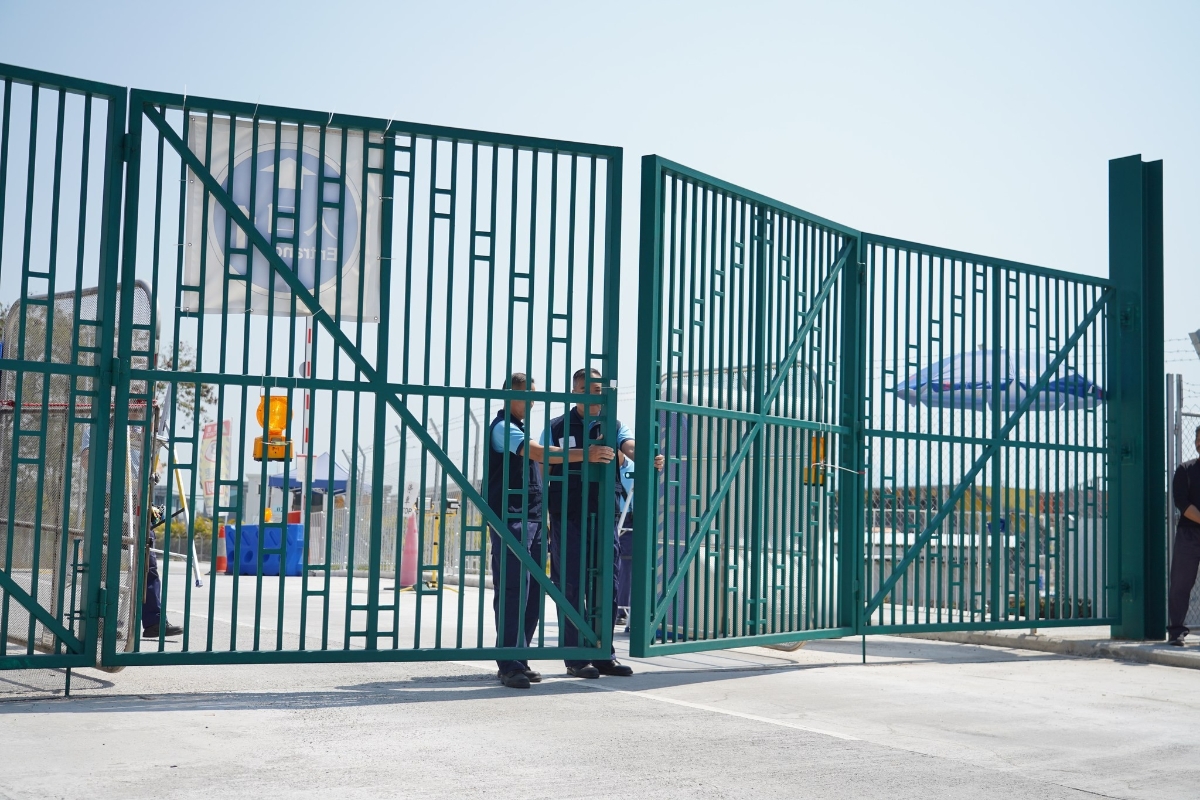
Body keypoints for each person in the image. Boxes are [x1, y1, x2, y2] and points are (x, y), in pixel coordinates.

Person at [486, 372, 613, 689]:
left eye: (534, 395)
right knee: (513, 590)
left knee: (531, 595)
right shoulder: (503, 428)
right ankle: (509, 664)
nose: (531, 402)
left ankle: (520, 660)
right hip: (510, 518)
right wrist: (587, 454)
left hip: (531, 518)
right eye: (526, 395)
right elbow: (540, 454)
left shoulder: (518, 428)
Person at [543, 367, 663, 678]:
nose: (593, 396)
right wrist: (585, 454)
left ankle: (603, 653)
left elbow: (630, 447)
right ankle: (575, 657)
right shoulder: (556, 427)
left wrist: (646, 456)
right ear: (575, 392)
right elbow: (544, 459)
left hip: (605, 513)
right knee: (571, 584)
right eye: (586, 390)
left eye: (598, 390)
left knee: (607, 583)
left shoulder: (614, 425)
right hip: (567, 513)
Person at [80, 425, 182, 639]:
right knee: (104, 561)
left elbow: (153, 462)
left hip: (138, 500)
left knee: (146, 560)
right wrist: (113, 445)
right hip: (108, 497)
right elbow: (87, 461)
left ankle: (154, 621)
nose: (137, 410)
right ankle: (101, 622)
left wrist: (154, 473)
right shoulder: (97, 427)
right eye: (134, 407)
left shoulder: (143, 431)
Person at [1167, 425, 1200, 646]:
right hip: (1189, 534)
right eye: (1198, 439)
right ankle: (1177, 631)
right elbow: (1181, 502)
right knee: (1181, 583)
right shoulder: (1185, 469)